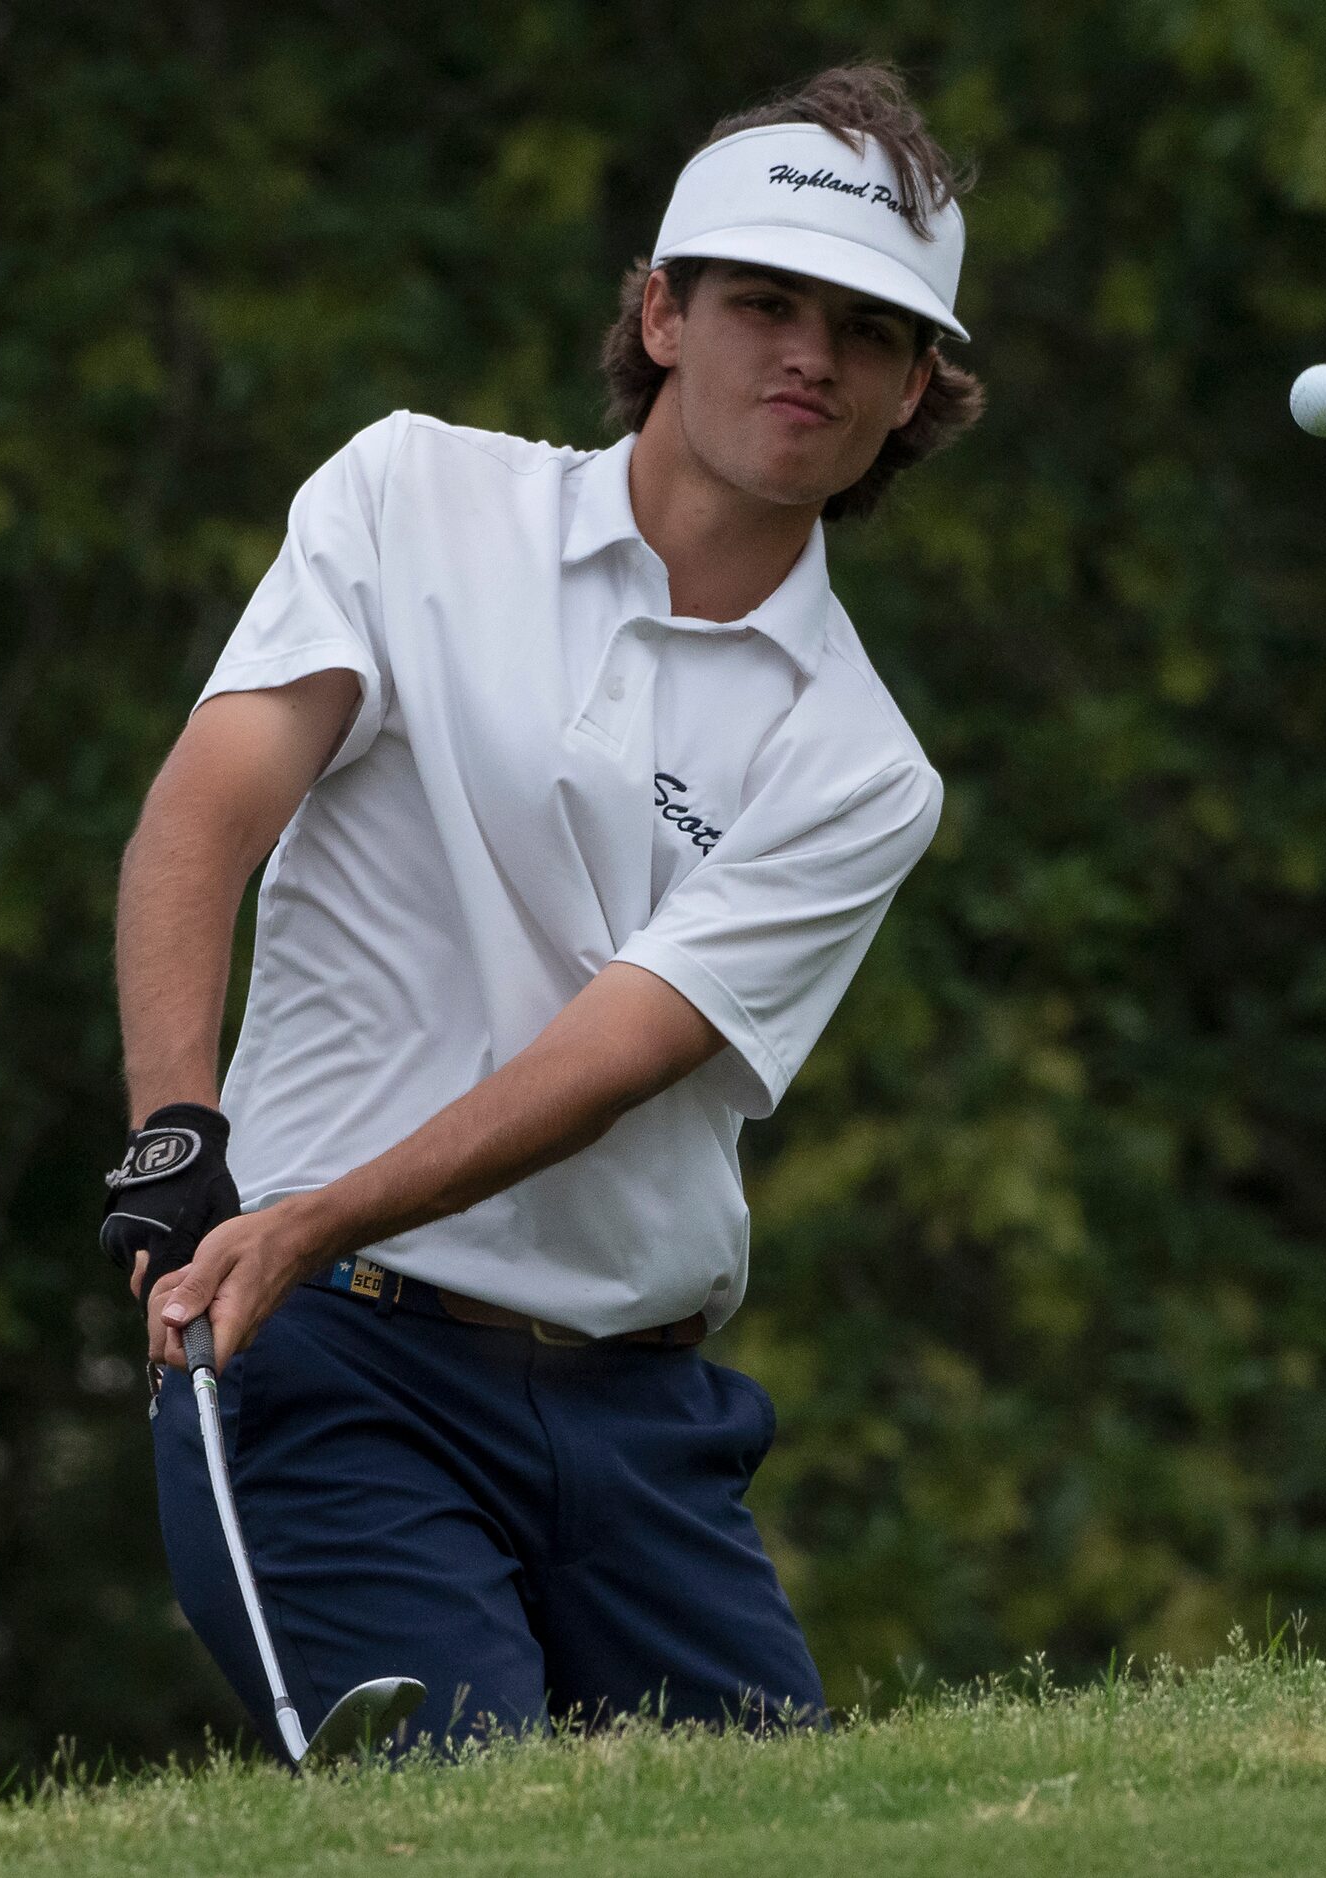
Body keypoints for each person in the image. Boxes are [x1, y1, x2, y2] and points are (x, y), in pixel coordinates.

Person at [100, 63, 986, 1750]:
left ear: (911, 391)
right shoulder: (411, 496)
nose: (809, 352)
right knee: (466, 1819)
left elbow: (614, 1052)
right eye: (762, 301)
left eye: (867, 330)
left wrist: (311, 1209)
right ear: (661, 313)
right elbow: (205, 810)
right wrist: (176, 1137)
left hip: (643, 1418)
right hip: (335, 1374)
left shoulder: (865, 762)